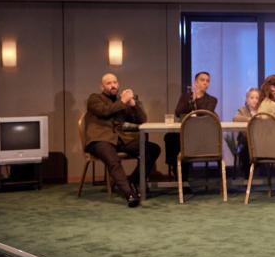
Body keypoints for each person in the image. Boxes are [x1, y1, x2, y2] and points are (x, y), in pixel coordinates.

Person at [84, 73, 161, 207]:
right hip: (99, 139)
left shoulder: (121, 102)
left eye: (115, 82)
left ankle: (133, 180)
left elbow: (142, 120)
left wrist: (133, 104)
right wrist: (123, 101)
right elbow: (105, 112)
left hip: (120, 140)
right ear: (102, 87)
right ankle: (129, 194)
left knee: (153, 149)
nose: (113, 85)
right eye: (109, 83)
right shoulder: (94, 98)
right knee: (114, 161)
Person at [164, 71, 218, 177]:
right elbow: (178, 112)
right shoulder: (185, 97)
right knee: (170, 137)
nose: (205, 83)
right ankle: (178, 171)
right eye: (202, 80)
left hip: (202, 135)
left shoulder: (212, 100)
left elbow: (205, 114)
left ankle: (182, 176)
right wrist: (192, 100)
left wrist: (196, 100)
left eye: (208, 81)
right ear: (195, 82)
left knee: (182, 141)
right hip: (186, 134)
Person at [233, 87, 260, 176]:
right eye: (252, 98)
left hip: (259, 141)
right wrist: (251, 119)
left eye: (257, 98)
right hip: (245, 140)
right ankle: (247, 175)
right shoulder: (243, 110)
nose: (254, 100)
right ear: (247, 99)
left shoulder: (262, 110)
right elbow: (235, 118)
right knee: (245, 146)